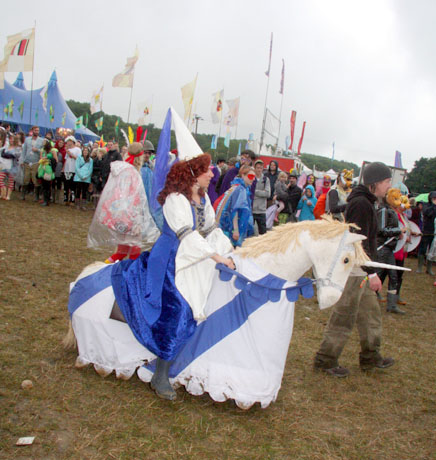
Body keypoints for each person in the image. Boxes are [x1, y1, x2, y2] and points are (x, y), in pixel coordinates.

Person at [111, 152, 234, 400]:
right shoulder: (176, 199)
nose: (212, 174)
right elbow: (186, 235)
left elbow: (211, 230)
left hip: (192, 257)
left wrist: (229, 251)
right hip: (170, 258)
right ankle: (160, 375)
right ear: (192, 173)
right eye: (207, 170)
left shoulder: (202, 198)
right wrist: (216, 257)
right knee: (177, 309)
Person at [314, 161, 395, 377]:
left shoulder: (367, 201)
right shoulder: (361, 203)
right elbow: (358, 241)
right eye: (387, 181)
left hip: (364, 268)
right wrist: (372, 273)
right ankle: (325, 360)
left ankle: (371, 356)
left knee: (370, 315)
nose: (389, 186)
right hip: (354, 269)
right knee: (344, 315)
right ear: (375, 183)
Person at [376, 188, 405, 314]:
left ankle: (391, 305)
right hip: (382, 247)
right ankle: (364, 300)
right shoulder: (383, 210)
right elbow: (381, 230)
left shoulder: (390, 211)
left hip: (389, 249)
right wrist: (398, 231)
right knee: (375, 274)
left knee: (394, 275)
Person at [215, 164, 255, 247]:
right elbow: (235, 210)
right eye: (250, 176)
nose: (253, 179)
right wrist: (236, 230)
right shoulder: (240, 189)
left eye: (254, 177)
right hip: (231, 228)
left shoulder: (238, 187)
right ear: (243, 175)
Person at [20, 126, 44, 201]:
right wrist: (22, 160)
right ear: (32, 131)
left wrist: (37, 150)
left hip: (36, 162)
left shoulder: (41, 140)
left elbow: (43, 151)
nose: (37, 132)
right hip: (27, 161)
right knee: (25, 178)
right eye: (35, 130)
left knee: (35, 179)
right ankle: (23, 195)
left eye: (38, 130)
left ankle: (36, 196)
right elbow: (24, 151)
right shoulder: (27, 140)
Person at [417, 191, 436, 275]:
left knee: (432, 250)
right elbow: (428, 214)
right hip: (426, 231)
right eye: (434, 198)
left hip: (434, 232)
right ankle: (419, 267)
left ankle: (429, 268)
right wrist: (433, 205)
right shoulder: (426, 206)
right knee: (423, 249)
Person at [0, 134, 22, 200]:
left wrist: (8, 155)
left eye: (13, 139)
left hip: (13, 167)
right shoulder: (6, 147)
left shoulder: (17, 148)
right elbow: (2, 153)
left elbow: (16, 156)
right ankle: (3, 191)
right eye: (10, 139)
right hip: (4, 166)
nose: (11, 140)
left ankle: (8, 195)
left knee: (10, 181)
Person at [252, 159, 270, 235]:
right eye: (258, 168)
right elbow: (249, 191)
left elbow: (267, 193)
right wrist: (260, 192)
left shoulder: (266, 179)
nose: (259, 170)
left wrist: (255, 192)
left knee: (263, 233)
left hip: (261, 210)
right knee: (250, 232)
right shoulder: (251, 178)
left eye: (261, 168)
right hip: (252, 209)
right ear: (254, 168)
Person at [37, 140, 58, 207]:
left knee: (47, 185)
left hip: (49, 168)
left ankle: (47, 200)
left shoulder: (53, 151)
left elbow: (56, 160)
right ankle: (44, 199)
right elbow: (40, 158)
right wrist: (42, 160)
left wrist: (48, 160)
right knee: (43, 184)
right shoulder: (43, 151)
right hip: (42, 168)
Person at [63, 136, 81, 205]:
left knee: (72, 186)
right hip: (67, 169)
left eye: (69, 141)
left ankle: (72, 200)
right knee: (66, 185)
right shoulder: (68, 150)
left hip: (73, 169)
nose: (68, 143)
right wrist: (63, 169)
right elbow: (66, 159)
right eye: (67, 142)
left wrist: (70, 154)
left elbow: (78, 159)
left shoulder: (77, 150)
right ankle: (65, 199)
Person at [74, 146, 93, 210]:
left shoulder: (90, 160)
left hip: (86, 178)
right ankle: (77, 204)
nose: (85, 152)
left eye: (86, 151)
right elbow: (77, 167)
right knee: (78, 190)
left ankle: (83, 205)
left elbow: (90, 169)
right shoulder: (79, 158)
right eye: (84, 151)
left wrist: (86, 176)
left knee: (84, 191)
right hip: (79, 177)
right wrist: (81, 176)